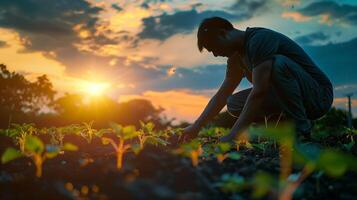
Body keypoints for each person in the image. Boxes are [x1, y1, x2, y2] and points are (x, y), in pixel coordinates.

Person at [183, 17, 333, 142]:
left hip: (317, 96)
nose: (215, 54)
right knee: (233, 103)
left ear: (223, 34)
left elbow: (259, 91)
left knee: (277, 64)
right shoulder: (236, 58)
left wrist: (233, 135)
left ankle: (302, 131)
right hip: (289, 98)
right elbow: (222, 95)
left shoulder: (259, 40)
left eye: (213, 48)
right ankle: (280, 133)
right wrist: (196, 126)